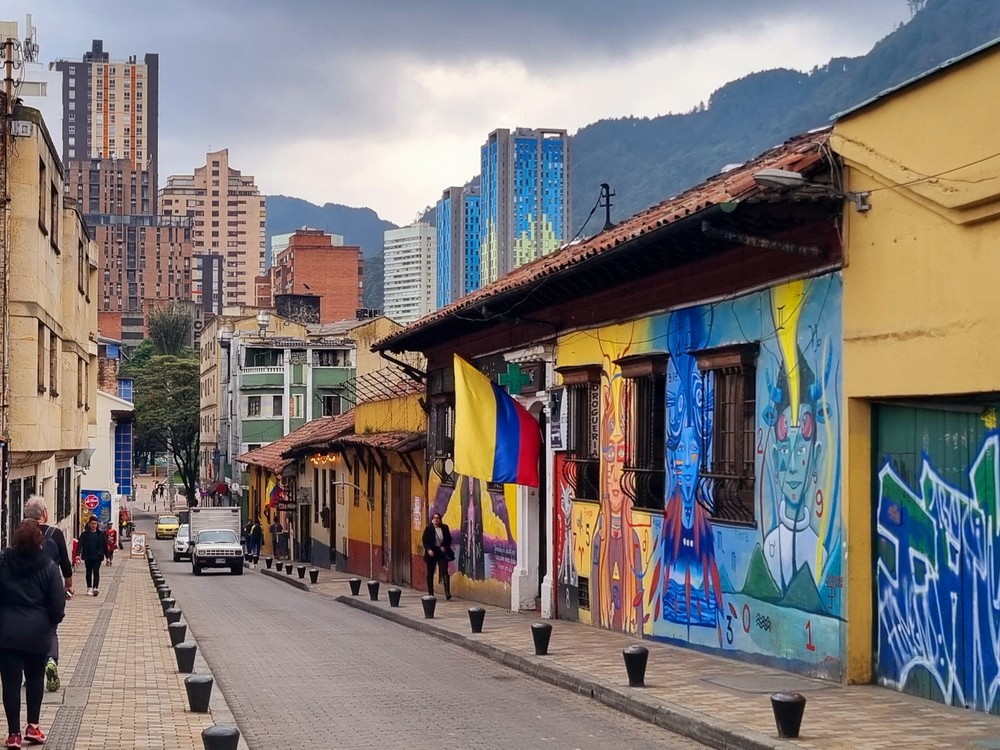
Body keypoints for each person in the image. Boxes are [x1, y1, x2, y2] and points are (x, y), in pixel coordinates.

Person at [0, 519, 66, 747]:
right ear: (40, 541)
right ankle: (33, 726)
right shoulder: (48, 567)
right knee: (35, 678)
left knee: (10, 683)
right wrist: (50, 623)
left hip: (7, 633)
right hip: (37, 633)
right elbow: (57, 604)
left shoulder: (3, 562)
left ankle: (13, 734)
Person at [22, 496, 73, 695]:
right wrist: (69, 584)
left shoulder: (22, 533)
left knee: (27, 630)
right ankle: (51, 659)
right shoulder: (55, 533)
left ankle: (30, 673)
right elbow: (65, 563)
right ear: (44, 513)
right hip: (51, 589)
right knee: (50, 629)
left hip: (26, 590)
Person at [421, 512, 453, 600]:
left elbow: (449, 539)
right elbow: (424, 540)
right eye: (434, 518)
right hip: (432, 552)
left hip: (441, 552)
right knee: (430, 572)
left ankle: (447, 593)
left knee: (444, 570)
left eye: (438, 518)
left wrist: (444, 546)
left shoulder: (444, 528)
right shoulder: (429, 529)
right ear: (432, 520)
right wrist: (428, 550)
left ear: (440, 519)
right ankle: (431, 592)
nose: (436, 519)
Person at [77, 517, 105, 596]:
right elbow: (80, 544)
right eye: (92, 523)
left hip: (97, 556)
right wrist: (78, 554)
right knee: (88, 572)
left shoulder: (100, 534)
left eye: (95, 524)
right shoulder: (85, 534)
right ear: (89, 524)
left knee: (96, 571)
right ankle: (89, 587)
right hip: (88, 556)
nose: (94, 525)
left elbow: (105, 545)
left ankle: (95, 587)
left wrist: (108, 556)